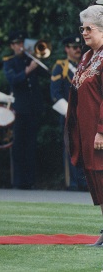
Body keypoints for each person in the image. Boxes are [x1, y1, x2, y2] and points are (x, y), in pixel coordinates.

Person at [66, 4, 103, 246]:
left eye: (89, 28)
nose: (84, 32)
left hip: (99, 131)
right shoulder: (87, 57)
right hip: (85, 130)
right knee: (96, 179)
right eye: (82, 28)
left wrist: (101, 129)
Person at [3, 31, 48, 189]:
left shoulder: (31, 59)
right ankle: (18, 181)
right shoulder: (9, 63)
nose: (20, 47)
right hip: (19, 109)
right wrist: (28, 70)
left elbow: (46, 72)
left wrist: (37, 58)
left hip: (33, 108)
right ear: (12, 46)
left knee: (30, 145)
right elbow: (13, 80)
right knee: (18, 145)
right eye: (16, 44)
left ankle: (30, 181)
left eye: (21, 43)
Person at [51, 35, 87, 191]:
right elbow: (55, 93)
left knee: (85, 149)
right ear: (67, 49)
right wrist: (68, 111)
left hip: (85, 115)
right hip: (69, 114)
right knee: (70, 148)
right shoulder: (61, 66)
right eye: (74, 47)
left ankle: (84, 182)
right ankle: (71, 182)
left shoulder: (86, 65)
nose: (78, 50)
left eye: (79, 47)